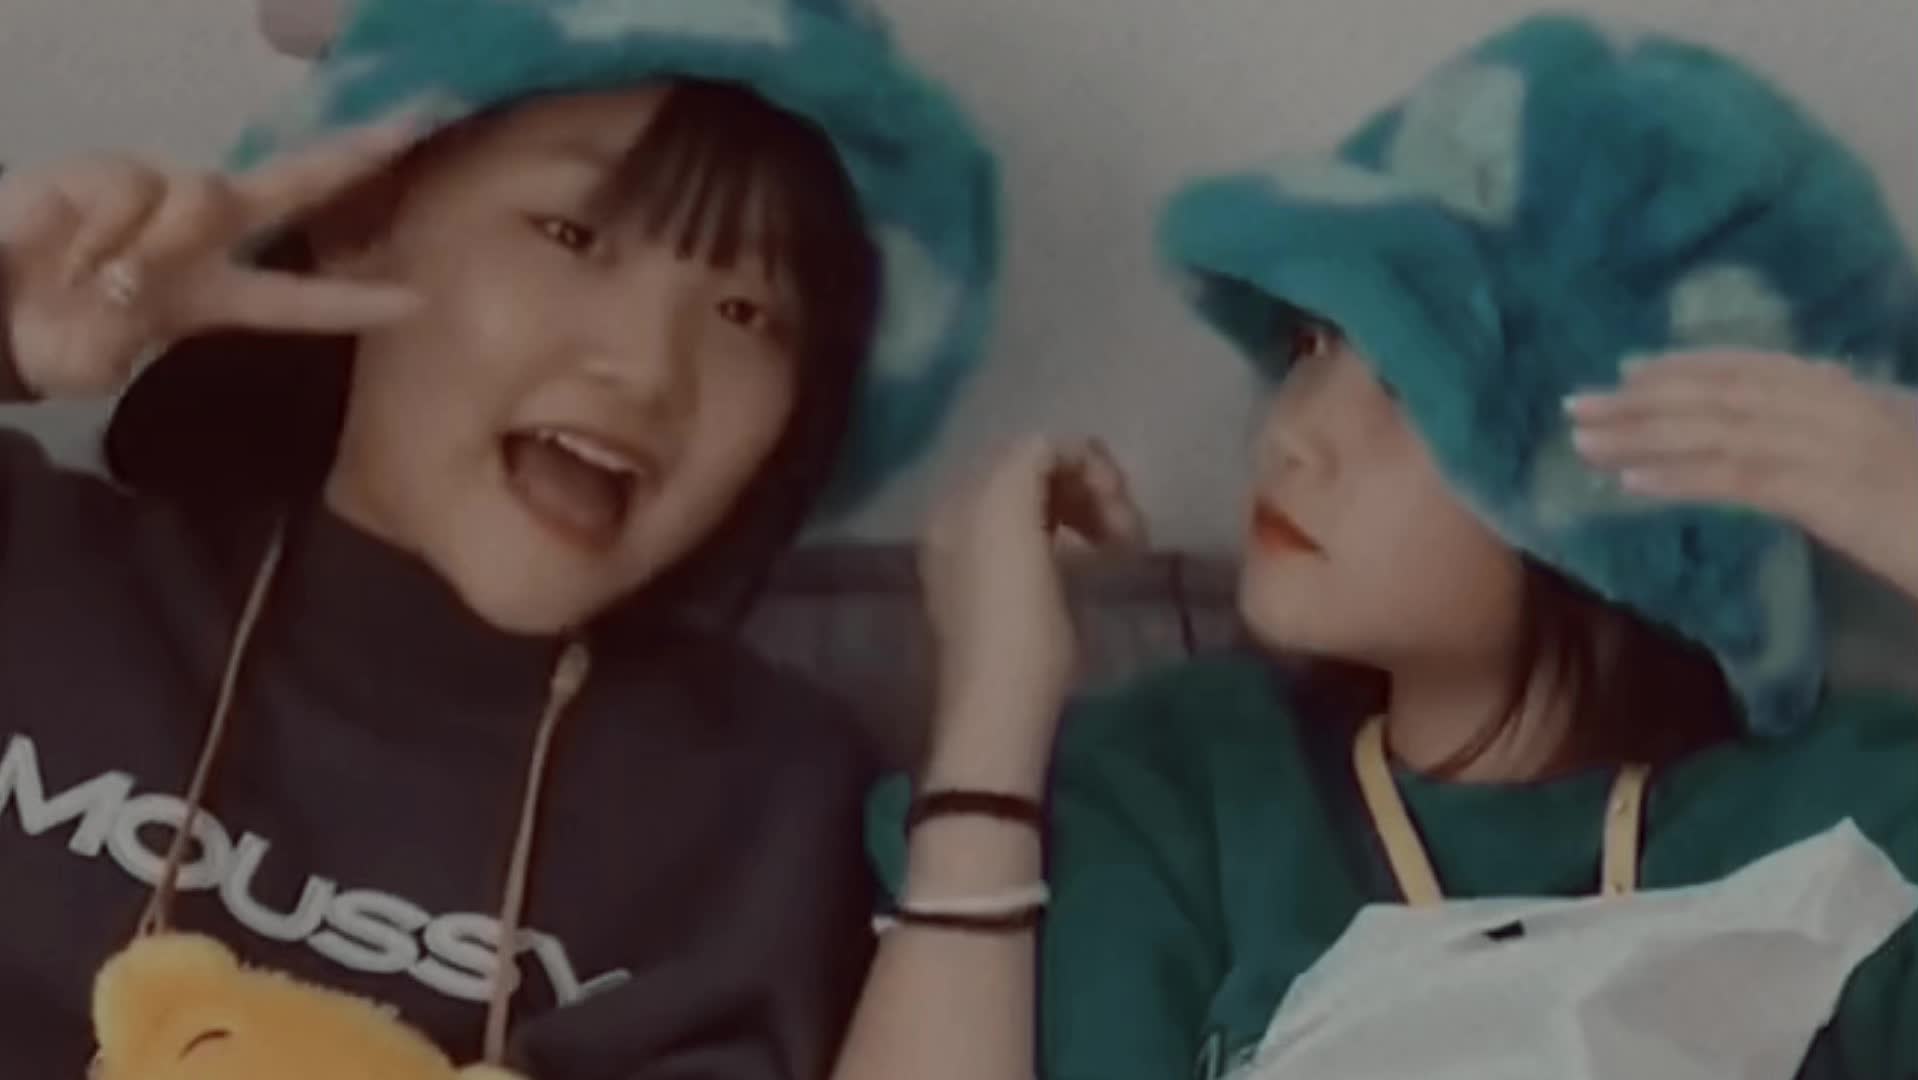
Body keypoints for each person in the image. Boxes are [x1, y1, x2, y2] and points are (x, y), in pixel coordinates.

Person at [831, 14, 1918, 1079]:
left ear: (1629, 481)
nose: (1291, 432)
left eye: (1405, 380)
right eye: (1310, 343)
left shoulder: (1850, 823)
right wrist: (992, 703)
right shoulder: (1171, 789)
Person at [0, 0, 997, 1076]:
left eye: (748, 313)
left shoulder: (771, 812)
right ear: (360, 219)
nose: (648, 369)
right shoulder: (37, 563)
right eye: (573, 236)